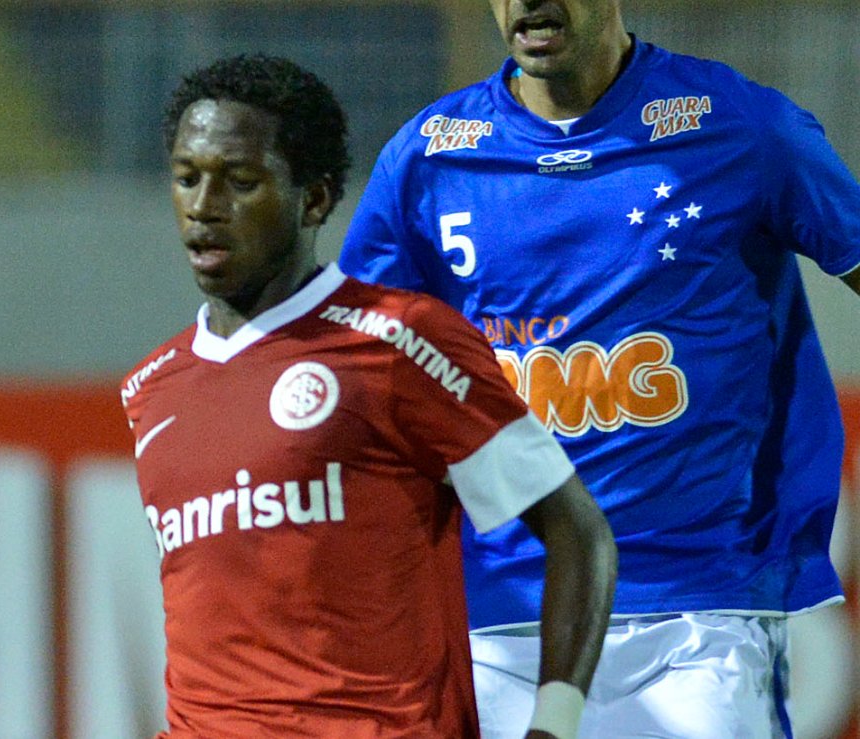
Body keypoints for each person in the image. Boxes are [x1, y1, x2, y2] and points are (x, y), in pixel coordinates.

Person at [339, 2, 860, 737]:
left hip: (699, 613)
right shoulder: (428, 158)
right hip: (503, 619)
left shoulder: (743, 128)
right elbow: (356, 368)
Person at [120, 53, 617, 738]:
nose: (204, 208)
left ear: (315, 198)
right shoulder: (151, 388)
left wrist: (553, 726)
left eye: (240, 181)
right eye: (187, 178)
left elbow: (577, 532)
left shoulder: (401, 344)